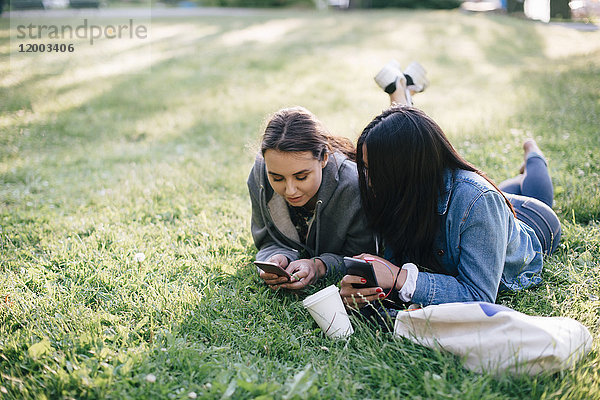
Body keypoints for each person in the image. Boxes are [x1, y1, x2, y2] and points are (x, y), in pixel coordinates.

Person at [340, 65, 561, 309]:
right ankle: (405, 90)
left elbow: (478, 296)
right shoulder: (405, 189)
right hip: (488, 207)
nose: (368, 181)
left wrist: (399, 277)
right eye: (367, 169)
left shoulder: (479, 201)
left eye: (375, 171)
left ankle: (532, 153)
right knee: (494, 193)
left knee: (534, 192)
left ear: (403, 172)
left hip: (535, 221)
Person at [248, 106, 376, 290]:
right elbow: (267, 239)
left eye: (301, 177)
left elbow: (361, 257)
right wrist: (277, 258)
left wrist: (318, 266)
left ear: (323, 158)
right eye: (277, 178)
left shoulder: (353, 187)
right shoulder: (260, 174)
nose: (290, 191)